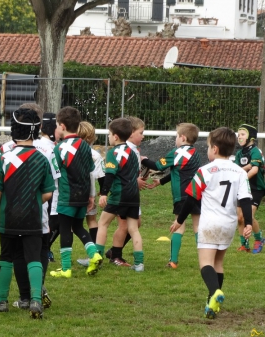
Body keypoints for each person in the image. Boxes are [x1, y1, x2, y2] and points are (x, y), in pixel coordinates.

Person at [170, 127, 252, 319]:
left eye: (207, 147)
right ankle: (212, 305)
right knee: (218, 263)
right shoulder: (239, 172)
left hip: (209, 223)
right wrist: (247, 223)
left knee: (205, 263)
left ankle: (215, 293)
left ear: (214, 149)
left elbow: (190, 199)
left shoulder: (205, 170)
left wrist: (179, 220)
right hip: (229, 224)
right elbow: (245, 200)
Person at [0, 107, 55, 319]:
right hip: (33, 217)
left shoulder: (4, 158)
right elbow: (48, 192)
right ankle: (35, 300)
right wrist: (34, 200)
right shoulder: (42, 159)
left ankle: (1, 300)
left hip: (9, 216)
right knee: (34, 257)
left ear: (14, 131)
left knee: (6, 256)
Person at [49, 107, 102, 278]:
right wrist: (91, 196)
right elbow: (90, 171)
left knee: (65, 230)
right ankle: (94, 254)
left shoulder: (59, 148)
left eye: (57, 125)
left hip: (66, 195)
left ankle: (65, 269)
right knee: (78, 227)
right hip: (83, 194)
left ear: (62, 126)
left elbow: (54, 174)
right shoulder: (86, 147)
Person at [142, 123, 201, 269]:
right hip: (196, 194)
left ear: (182, 137)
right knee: (198, 227)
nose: (175, 139)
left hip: (181, 195)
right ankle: (205, 260)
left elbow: (157, 166)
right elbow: (177, 171)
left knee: (179, 226)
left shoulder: (177, 152)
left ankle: (173, 261)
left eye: (176, 136)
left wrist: (143, 159)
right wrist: (160, 181)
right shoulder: (195, 153)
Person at [95, 118, 144, 272]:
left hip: (118, 195)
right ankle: (139, 264)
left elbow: (109, 175)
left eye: (109, 134)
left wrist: (103, 193)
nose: (108, 137)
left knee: (103, 224)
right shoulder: (133, 151)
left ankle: (96, 258)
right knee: (134, 229)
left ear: (115, 136)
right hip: (134, 196)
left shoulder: (112, 153)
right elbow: (136, 173)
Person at [75, 121, 105, 267]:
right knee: (92, 221)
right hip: (90, 193)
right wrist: (102, 192)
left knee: (70, 224)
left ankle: (48, 251)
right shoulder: (95, 155)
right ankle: (95, 253)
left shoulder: (71, 151)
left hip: (74, 193)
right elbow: (100, 176)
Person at [234, 124, 265, 254]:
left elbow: (254, 169)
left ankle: (259, 239)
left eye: (242, 134)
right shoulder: (239, 153)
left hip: (256, 189)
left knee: (249, 216)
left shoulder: (255, 151)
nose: (239, 137)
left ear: (251, 137)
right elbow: (235, 170)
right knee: (240, 218)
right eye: (238, 134)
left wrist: (242, 177)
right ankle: (244, 245)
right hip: (243, 189)